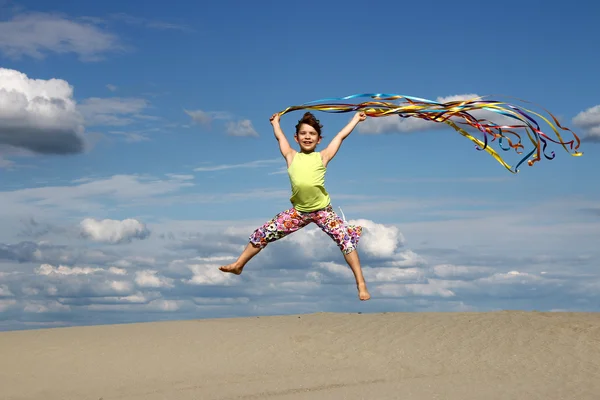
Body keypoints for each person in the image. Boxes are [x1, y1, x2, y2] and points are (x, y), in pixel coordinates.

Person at [219, 111, 371, 301]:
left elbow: (340, 136)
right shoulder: (291, 156)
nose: (307, 137)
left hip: (323, 211)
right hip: (299, 212)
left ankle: (361, 284)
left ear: (319, 139)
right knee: (263, 232)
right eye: (303, 133)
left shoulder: (322, 157)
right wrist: (276, 123)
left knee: (346, 240)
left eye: (312, 134)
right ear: (296, 138)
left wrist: (356, 119)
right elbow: (280, 137)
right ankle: (239, 264)